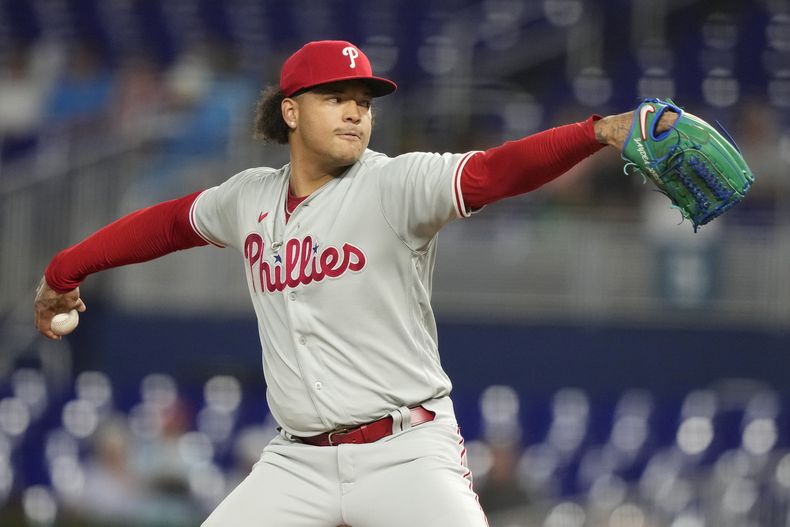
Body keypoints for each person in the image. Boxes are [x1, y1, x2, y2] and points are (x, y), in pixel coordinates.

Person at [34, 40, 677, 526]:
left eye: (363, 103)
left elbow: (492, 172)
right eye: (335, 98)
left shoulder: (394, 185)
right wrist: (65, 270)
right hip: (297, 461)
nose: (354, 113)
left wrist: (598, 132)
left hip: (406, 450)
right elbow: (169, 223)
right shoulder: (249, 197)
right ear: (290, 111)